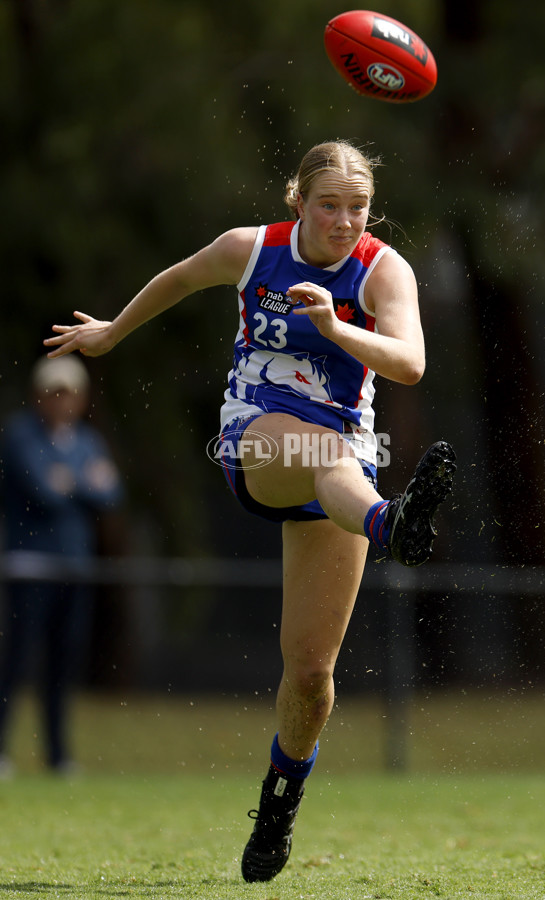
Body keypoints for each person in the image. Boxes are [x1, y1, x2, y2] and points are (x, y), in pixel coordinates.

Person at [43, 140, 456, 878]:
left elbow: (410, 361)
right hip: (256, 436)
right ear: (297, 200)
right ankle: (390, 523)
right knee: (318, 453)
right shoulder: (252, 247)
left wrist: (336, 328)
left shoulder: (382, 268)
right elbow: (179, 278)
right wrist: (111, 332)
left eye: (356, 207)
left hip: (344, 466)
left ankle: (279, 804)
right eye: (328, 205)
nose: (343, 220)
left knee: (309, 672)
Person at [0, 355, 123, 775]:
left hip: (75, 567)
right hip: (30, 566)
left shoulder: (87, 439)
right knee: (16, 661)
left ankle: (57, 755)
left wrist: (70, 480)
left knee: (62, 662)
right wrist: (85, 481)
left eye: (69, 394)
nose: (62, 402)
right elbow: (42, 490)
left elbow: (111, 494)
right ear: (39, 395)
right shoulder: (20, 435)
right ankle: (2, 750)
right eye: (54, 393)